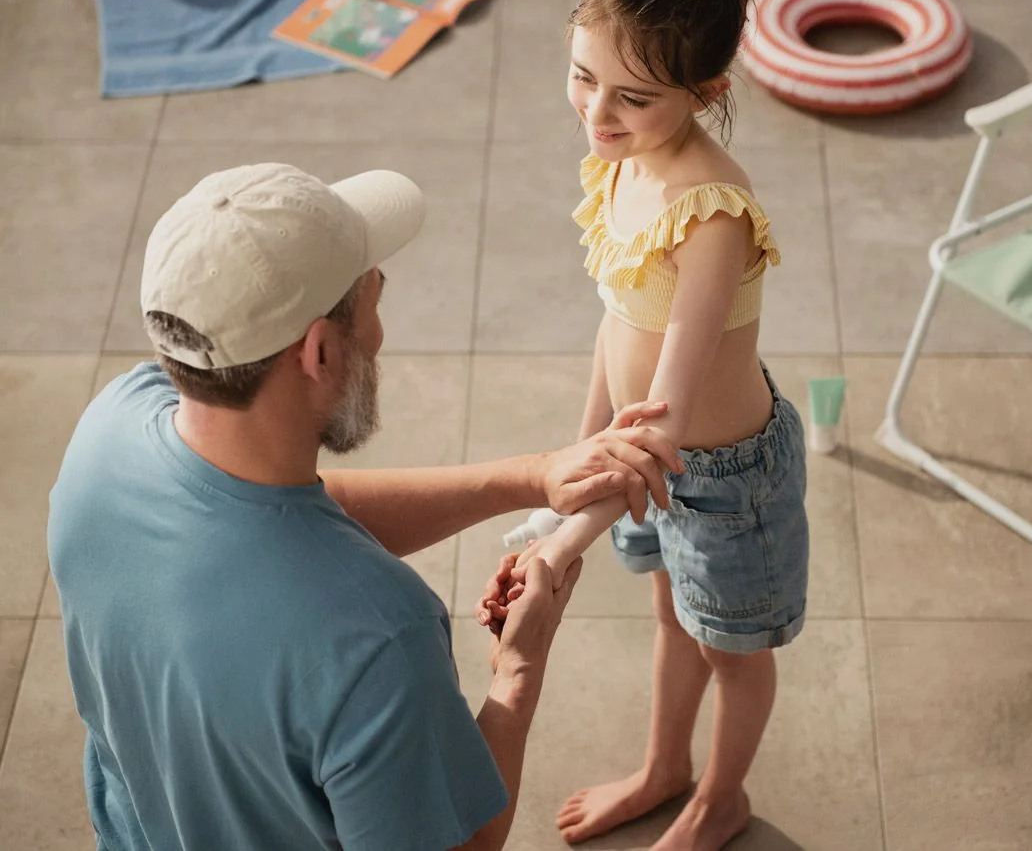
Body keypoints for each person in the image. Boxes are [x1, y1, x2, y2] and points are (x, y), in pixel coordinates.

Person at [46, 162, 684, 851]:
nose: (379, 334)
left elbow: (293, 512)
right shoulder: (377, 640)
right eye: (374, 297)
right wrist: (518, 676)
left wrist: (533, 475)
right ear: (319, 350)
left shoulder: (109, 429)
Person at [476, 0, 810, 849]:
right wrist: (569, 465)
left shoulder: (712, 215)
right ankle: (666, 767)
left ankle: (720, 801)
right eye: (584, 78)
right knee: (675, 622)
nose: (597, 113)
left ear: (706, 91)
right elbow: (616, 329)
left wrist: (557, 541)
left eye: (633, 97)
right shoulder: (624, 163)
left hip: (723, 483)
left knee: (733, 656)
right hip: (648, 464)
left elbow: (661, 425)